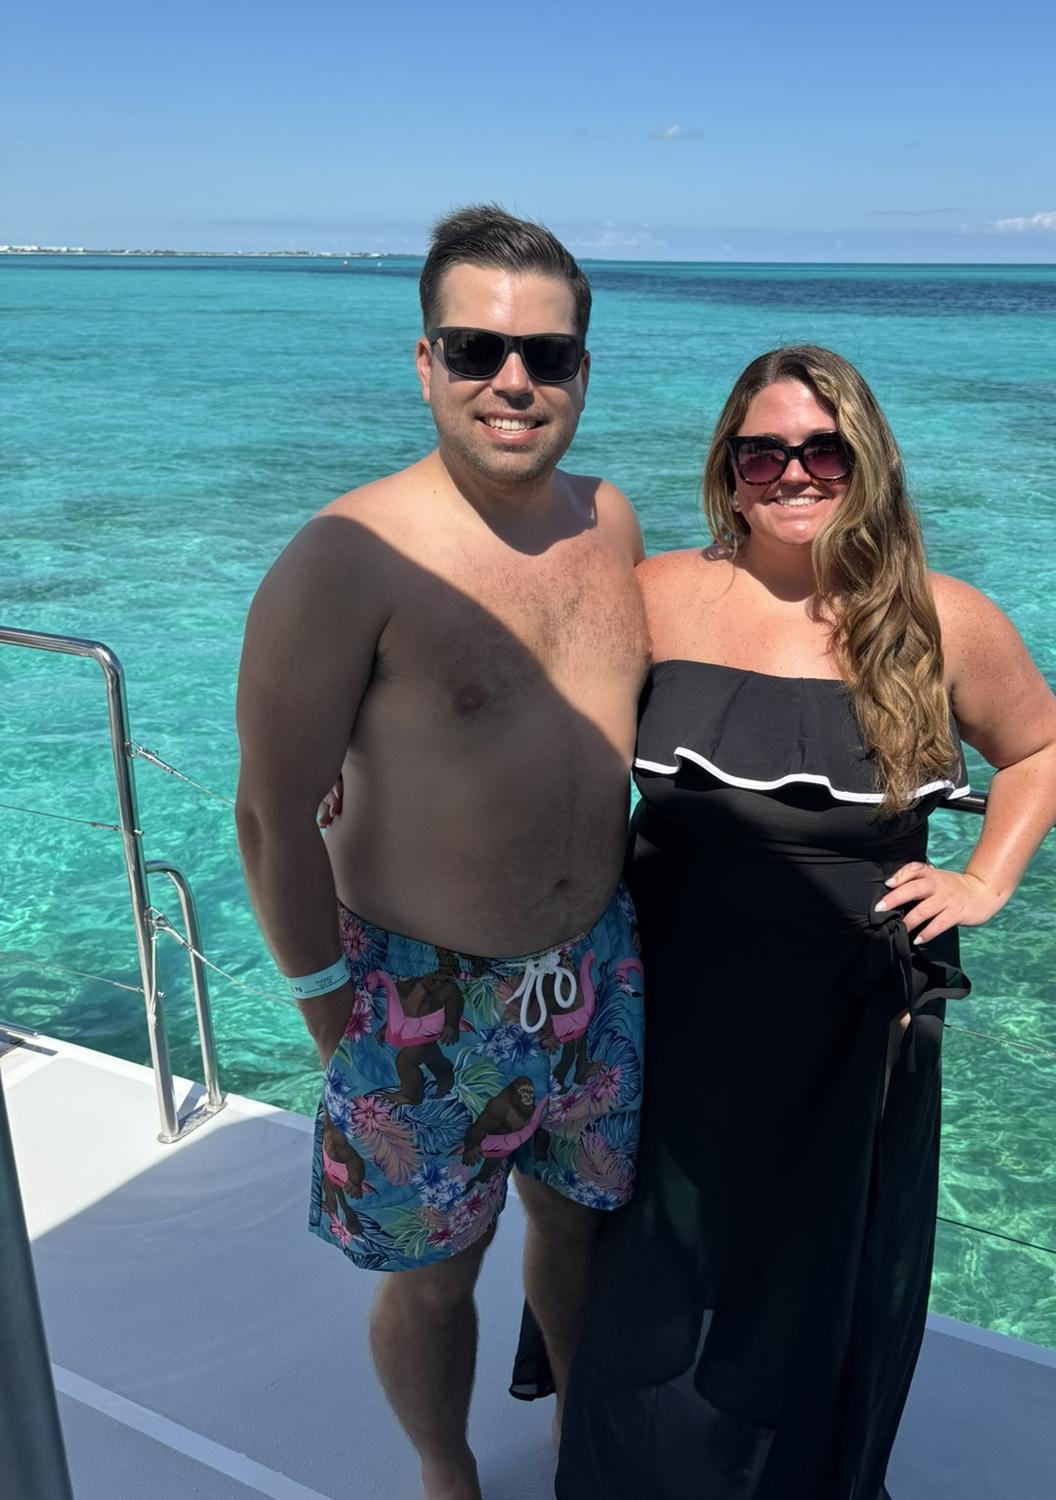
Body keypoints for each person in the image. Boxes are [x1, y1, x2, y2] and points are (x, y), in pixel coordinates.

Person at [549, 345, 1056, 1499]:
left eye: (824, 451)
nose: (794, 473)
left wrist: (985, 881)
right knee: (654, 1241)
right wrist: (364, 762)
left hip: (853, 1003)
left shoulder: (942, 618)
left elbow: (1042, 747)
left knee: (815, 1252)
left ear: (867, 461)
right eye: (764, 453)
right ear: (729, 470)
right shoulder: (657, 594)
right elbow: (538, 717)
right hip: (667, 982)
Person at [234, 204, 648, 1500]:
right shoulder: (348, 558)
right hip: (417, 995)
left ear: (583, 369)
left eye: (547, 354)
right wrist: (332, 1014)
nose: (514, 380)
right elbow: (269, 814)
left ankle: (580, 1442)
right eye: (477, 349)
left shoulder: (613, 522)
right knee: (434, 1275)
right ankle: (446, 1473)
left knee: (578, 1230)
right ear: (426, 363)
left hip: (595, 975)